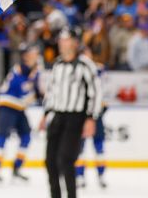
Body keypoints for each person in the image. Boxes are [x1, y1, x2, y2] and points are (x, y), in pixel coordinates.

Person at [40, 27, 103, 198]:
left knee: (65, 160)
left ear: (75, 43)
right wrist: (46, 115)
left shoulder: (85, 65)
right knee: (50, 161)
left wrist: (91, 118)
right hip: (57, 115)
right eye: (61, 40)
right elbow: (51, 92)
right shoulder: (57, 64)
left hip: (75, 117)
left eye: (66, 40)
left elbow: (95, 92)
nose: (62, 43)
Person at [0, 43, 41, 182]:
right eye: (32, 53)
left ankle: (17, 168)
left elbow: (33, 92)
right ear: (26, 56)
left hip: (18, 108)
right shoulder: (21, 69)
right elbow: (24, 91)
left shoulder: (32, 70)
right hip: (7, 105)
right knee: (1, 136)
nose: (35, 55)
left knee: (26, 136)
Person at [75, 47, 107, 189]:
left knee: (99, 145)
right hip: (81, 113)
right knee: (79, 147)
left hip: (95, 113)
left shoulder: (97, 69)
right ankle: (80, 176)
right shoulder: (75, 70)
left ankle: (101, 176)